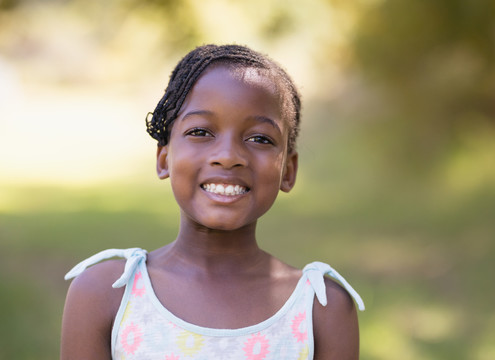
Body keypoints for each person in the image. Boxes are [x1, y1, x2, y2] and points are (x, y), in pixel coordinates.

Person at [61, 44, 364, 360]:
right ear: (164, 159)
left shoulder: (321, 308)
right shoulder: (106, 293)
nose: (228, 156)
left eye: (260, 138)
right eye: (201, 131)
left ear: (287, 170)